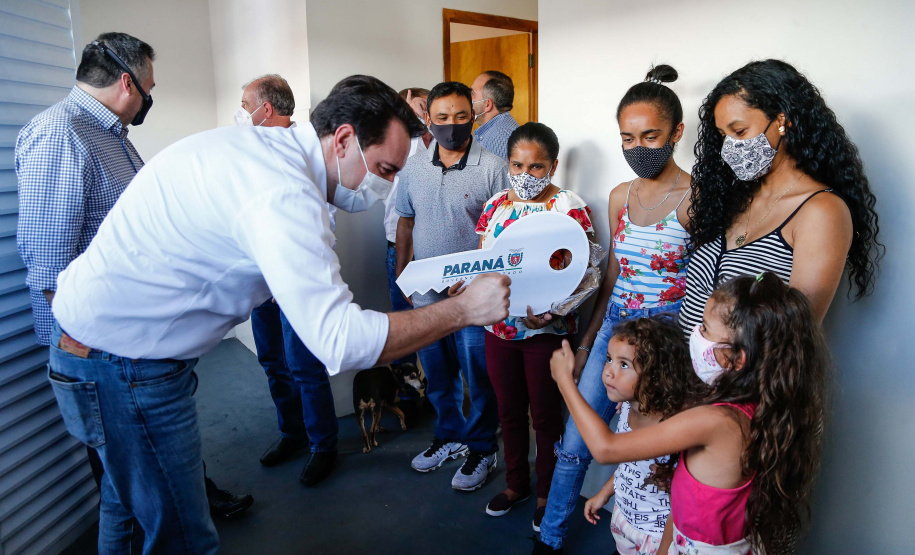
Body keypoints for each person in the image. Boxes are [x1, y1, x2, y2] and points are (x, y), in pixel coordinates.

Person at [46, 74, 511, 554]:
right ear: (345, 139)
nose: (385, 185)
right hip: (123, 367)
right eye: (385, 169)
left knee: (125, 510)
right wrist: (463, 309)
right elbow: (341, 340)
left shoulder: (263, 151)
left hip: (96, 350)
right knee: (183, 539)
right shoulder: (283, 190)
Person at [14, 33, 252, 551]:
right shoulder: (63, 134)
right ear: (127, 82)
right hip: (104, 352)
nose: (149, 97)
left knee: (126, 496)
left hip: (127, 349)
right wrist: (84, 346)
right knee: (155, 513)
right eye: (149, 88)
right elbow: (51, 267)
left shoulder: (109, 134)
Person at [551, 273, 830, 554]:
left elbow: (605, 448)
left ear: (737, 358)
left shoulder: (717, 421)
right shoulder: (754, 408)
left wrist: (565, 382)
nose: (696, 334)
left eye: (706, 330)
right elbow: (682, 500)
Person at [536, 65, 692, 553]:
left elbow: (706, 284)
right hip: (611, 336)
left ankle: (648, 537)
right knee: (576, 441)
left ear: (677, 133)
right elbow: (612, 276)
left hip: (666, 346)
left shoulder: (697, 199)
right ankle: (550, 535)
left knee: (657, 453)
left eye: (651, 135)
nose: (638, 147)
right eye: (627, 137)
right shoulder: (619, 196)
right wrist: (587, 343)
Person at [679, 59, 882, 336]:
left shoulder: (821, 211)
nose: (729, 148)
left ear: (782, 120)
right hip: (683, 376)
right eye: (723, 135)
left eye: (739, 132)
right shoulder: (733, 197)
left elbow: (795, 336)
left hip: (745, 379)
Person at [464, 122, 593, 529]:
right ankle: (516, 484)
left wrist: (554, 311)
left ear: (553, 166)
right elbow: (484, 259)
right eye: (517, 165)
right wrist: (466, 284)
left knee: (546, 416)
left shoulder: (569, 208)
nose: (525, 175)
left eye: (536, 167)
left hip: (546, 334)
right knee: (509, 412)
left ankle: (546, 492)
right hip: (499, 330)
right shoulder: (495, 205)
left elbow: (586, 272)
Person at [395, 81, 508, 492]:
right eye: (442, 118)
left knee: (479, 375)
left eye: (461, 116)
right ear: (428, 119)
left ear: (474, 116)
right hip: (425, 291)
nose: (452, 126)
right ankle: (449, 435)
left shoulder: (494, 167)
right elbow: (406, 220)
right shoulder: (414, 168)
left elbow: (503, 233)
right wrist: (402, 272)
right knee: (438, 373)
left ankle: (481, 445)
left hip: (473, 296)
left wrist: (482, 279)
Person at [233, 74, 340, 485]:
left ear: (268, 108)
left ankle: (322, 445)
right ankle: (291, 433)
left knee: (303, 365)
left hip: (294, 279)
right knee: (273, 362)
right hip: (259, 278)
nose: (242, 113)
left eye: (245, 105)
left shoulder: (307, 150)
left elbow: (320, 216)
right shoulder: (249, 147)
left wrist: (287, 271)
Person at [581, 317, 704, 555]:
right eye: (609, 359)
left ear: (656, 374)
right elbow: (631, 464)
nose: (608, 372)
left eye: (624, 364)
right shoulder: (627, 407)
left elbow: (682, 501)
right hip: (623, 519)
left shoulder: (672, 430)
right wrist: (604, 493)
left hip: (656, 538)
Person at [380, 87, 433, 370]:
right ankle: (407, 389)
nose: (420, 114)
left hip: (434, 244)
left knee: (437, 319)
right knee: (404, 319)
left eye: (425, 107)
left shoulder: (443, 143)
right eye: (413, 109)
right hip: (399, 244)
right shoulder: (398, 142)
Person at [471, 70, 519, 160]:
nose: (468, 97)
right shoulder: (494, 131)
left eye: (473, 94)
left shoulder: (499, 138)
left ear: (487, 104)